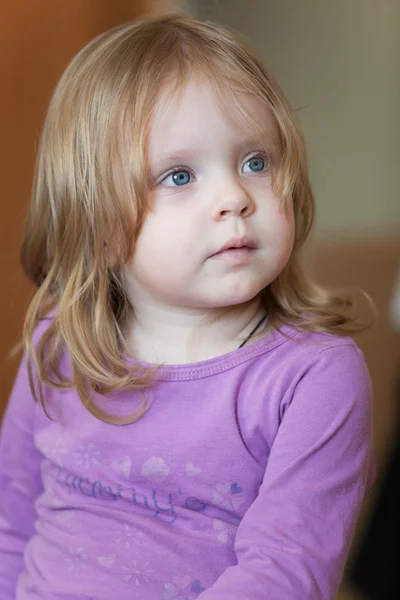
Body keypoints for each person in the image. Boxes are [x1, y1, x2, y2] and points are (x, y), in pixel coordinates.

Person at [0, 12, 376, 600]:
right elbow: (9, 519)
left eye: (256, 161)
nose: (234, 197)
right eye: (179, 175)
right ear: (97, 224)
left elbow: (285, 572)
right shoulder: (59, 346)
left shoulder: (314, 377)